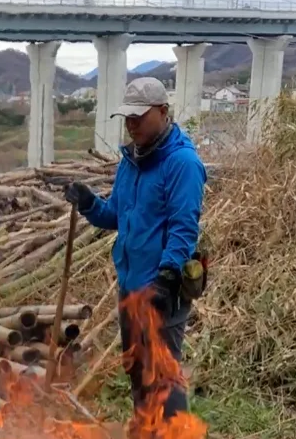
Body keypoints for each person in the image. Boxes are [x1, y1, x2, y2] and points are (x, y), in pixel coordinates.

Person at [64, 77, 207, 420]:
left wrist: (167, 275)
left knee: (163, 372)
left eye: (139, 117)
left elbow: (183, 226)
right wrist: (88, 203)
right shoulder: (132, 161)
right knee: (137, 368)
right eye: (127, 118)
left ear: (162, 111)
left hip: (161, 287)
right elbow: (116, 215)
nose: (131, 124)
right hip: (130, 284)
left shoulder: (182, 163)